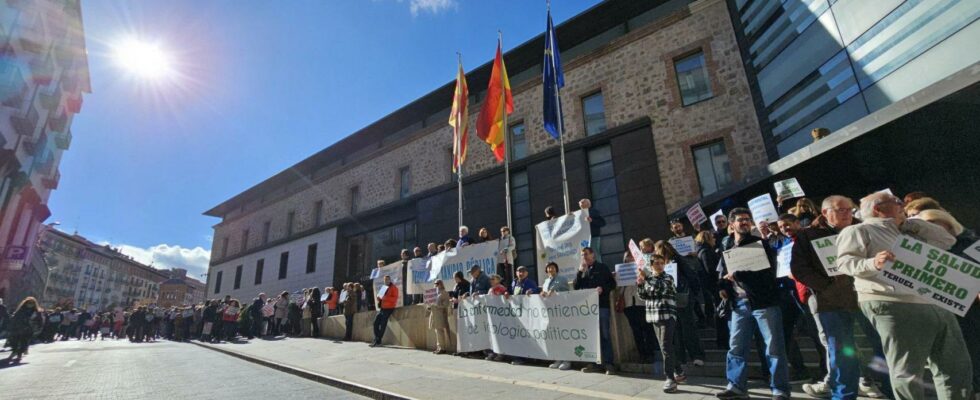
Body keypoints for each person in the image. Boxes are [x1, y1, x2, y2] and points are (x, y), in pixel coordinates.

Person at [837, 192, 969, 400]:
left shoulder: (909, 231)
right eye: (896, 202)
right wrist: (873, 263)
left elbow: (947, 239)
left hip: (934, 300)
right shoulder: (858, 230)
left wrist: (911, 224)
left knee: (955, 366)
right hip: (894, 303)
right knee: (908, 370)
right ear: (877, 209)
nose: (901, 205)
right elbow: (844, 263)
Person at [716, 207, 790, 400]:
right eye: (740, 220)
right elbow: (722, 273)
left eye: (747, 219)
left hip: (764, 303)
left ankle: (779, 389)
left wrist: (739, 275)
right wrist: (723, 286)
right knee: (736, 348)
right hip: (739, 305)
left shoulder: (761, 245)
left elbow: (768, 275)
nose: (745, 222)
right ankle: (736, 386)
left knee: (774, 348)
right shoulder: (727, 248)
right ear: (731, 225)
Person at [912, 208, 980, 396]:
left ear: (949, 224)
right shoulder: (920, 251)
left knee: (974, 352)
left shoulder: (971, 244)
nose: (935, 231)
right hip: (939, 312)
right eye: (928, 227)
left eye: (937, 225)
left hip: (972, 312)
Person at [652, 239, 704, 375]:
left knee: (687, 326)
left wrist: (694, 293)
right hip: (670, 301)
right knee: (676, 330)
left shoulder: (677, 260)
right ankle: (683, 357)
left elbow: (691, 276)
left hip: (682, 298)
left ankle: (696, 355)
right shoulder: (659, 266)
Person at [636, 254, 680, 393]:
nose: (660, 265)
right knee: (664, 347)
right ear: (651, 265)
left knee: (666, 346)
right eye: (657, 263)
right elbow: (643, 296)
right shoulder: (649, 279)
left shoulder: (668, 277)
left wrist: (647, 277)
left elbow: (661, 288)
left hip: (667, 315)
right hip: (654, 316)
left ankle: (670, 378)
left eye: (662, 263)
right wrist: (641, 284)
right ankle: (679, 370)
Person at [574, 247, 618, 375]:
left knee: (604, 335)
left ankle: (609, 364)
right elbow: (576, 287)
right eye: (582, 255)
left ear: (593, 255)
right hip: (587, 309)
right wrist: (579, 272)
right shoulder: (582, 270)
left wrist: (602, 289)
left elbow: (612, 284)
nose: (584, 257)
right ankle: (594, 364)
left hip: (602, 306)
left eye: (586, 254)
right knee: (591, 336)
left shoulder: (602, 267)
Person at [618, 252, 662, 371]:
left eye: (632, 258)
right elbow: (620, 287)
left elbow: (651, 279)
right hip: (629, 304)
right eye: (627, 259)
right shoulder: (622, 271)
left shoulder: (644, 268)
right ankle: (642, 354)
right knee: (636, 331)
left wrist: (641, 274)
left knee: (647, 329)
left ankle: (650, 354)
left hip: (642, 303)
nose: (629, 260)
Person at [540, 261, 573, 370]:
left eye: (553, 267)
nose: (550, 270)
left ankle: (567, 360)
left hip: (561, 311)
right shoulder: (545, 281)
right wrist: (542, 294)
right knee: (555, 336)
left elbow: (566, 292)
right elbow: (545, 293)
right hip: (550, 312)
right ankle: (558, 358)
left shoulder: (562, 279)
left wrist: (555, 291)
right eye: (549, 268)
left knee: (564, 335)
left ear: (556, 269)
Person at [3, 297, 40, 364]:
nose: (30, 304)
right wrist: (11, 326)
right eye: (29, 303)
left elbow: (39, 321)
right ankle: (15, 352)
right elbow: (15, 318)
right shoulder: (21, 310)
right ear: (25, 303)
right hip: (17, 329)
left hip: (28, 330)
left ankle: (18, 355)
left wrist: (36, 329)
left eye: (32, 303)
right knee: (14, 342)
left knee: (23, 343)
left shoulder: (36, 312)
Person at [371, 275, 399, 347]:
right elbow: (380, 297)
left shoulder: (394, 288)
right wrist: (378, 297)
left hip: (389, 308)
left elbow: (394, 299)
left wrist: (384, 298)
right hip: (382, 308)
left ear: (390, 280)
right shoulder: (383, 287)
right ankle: (377, 338)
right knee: (375, 323)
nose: (386, 281)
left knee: (383, 323)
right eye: (385, 280)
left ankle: (378, 340)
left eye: (387, 280)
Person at [428, 280, 451, 354]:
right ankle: (439, 347)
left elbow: (446, 304)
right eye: (435, 284)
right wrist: (430, 306)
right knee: (437, 331)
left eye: (437, 284)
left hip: (440, 314)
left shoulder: (444, 293)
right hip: (435, 313)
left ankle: (442, 348)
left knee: (440, 331)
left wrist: (437, 306)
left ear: (441, 284)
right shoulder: (436, 293)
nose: (436, 286)